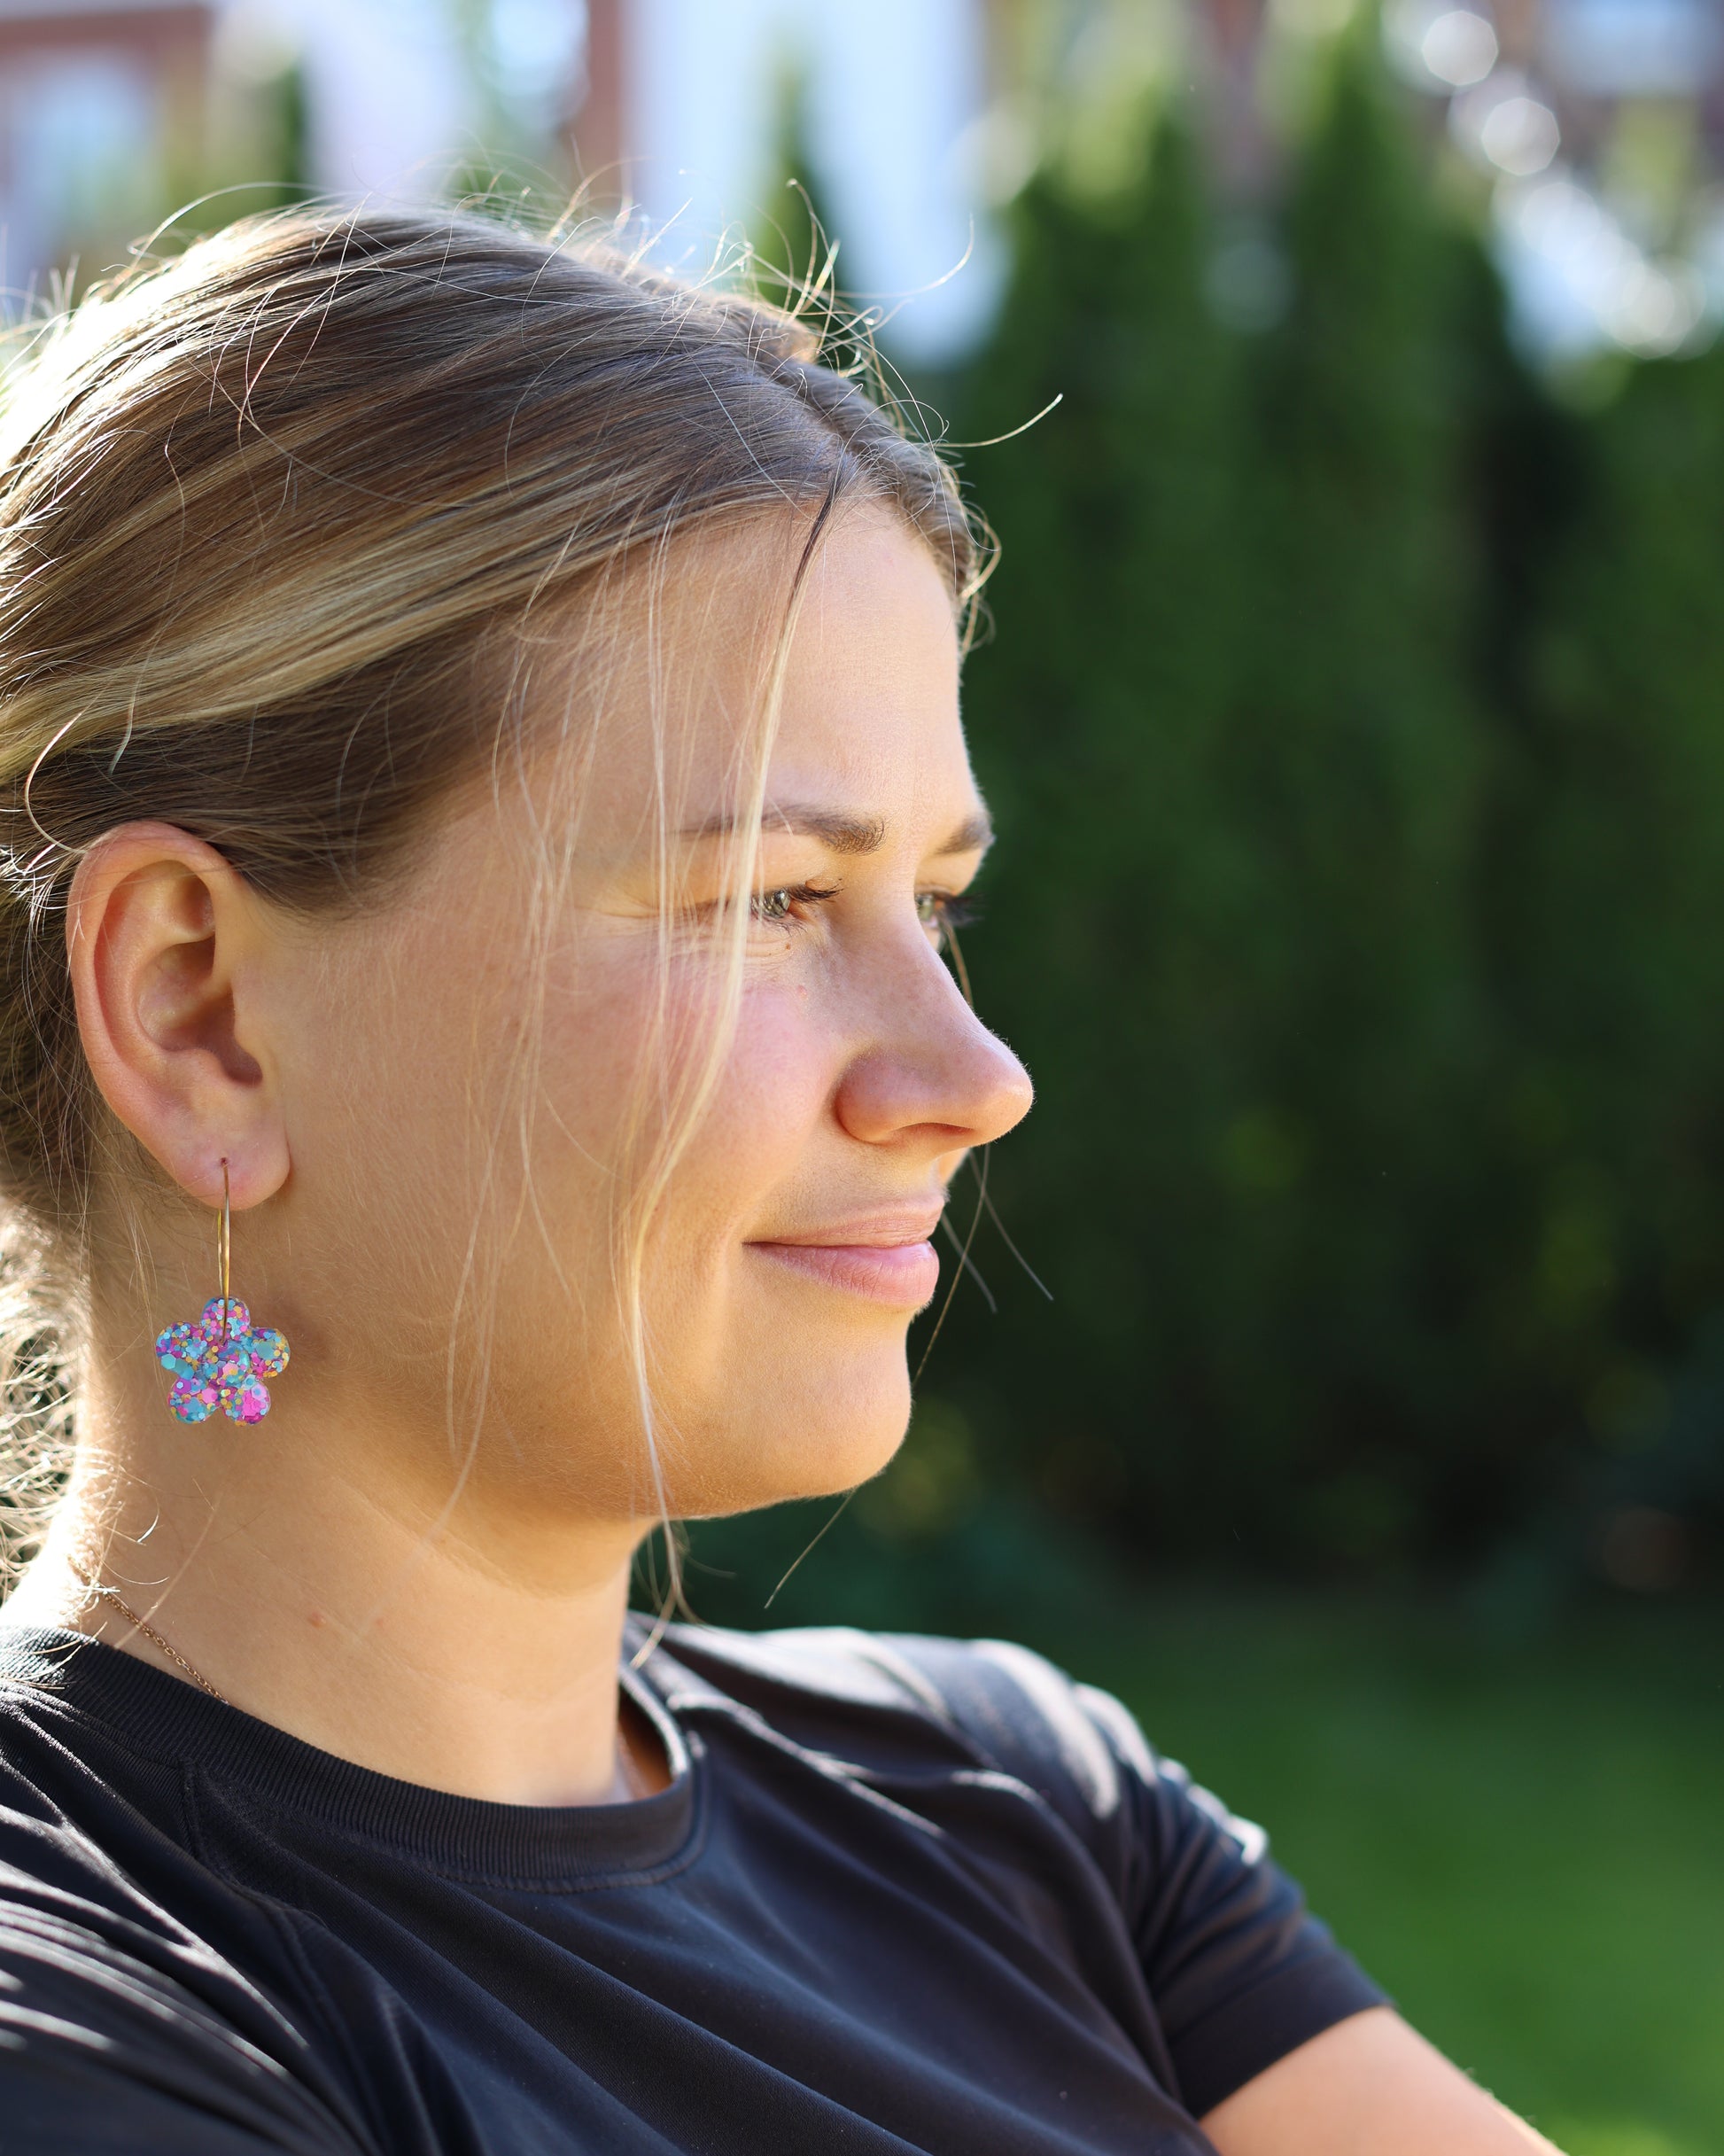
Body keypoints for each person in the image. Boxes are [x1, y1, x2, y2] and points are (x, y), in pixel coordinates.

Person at [0, 207, 1560, 2155]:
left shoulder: (1024, 1810)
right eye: (773, 899)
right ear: (199, 1011)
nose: (974, 1080)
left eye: (935, 903)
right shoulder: (73, 1995)